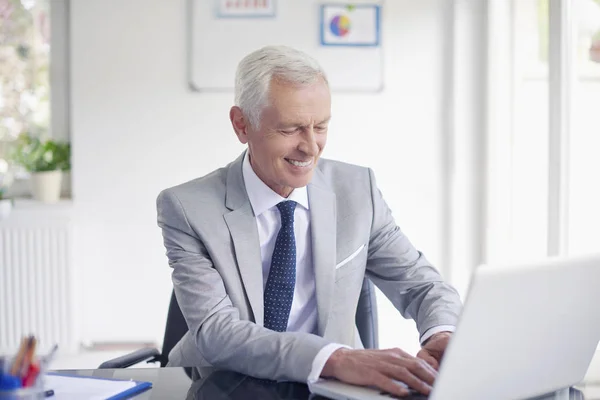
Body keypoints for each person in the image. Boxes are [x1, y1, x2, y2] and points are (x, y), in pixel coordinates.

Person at [157, 45, 462, 398]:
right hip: (220, 383)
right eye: (291, 129)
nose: (311, 147)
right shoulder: (187, 207)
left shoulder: (357, 191)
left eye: (321, 126)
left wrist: (442, 335)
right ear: (242, 124)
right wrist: (335, 358)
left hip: (330, 391)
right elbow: (216, 332)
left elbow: (422, 286)